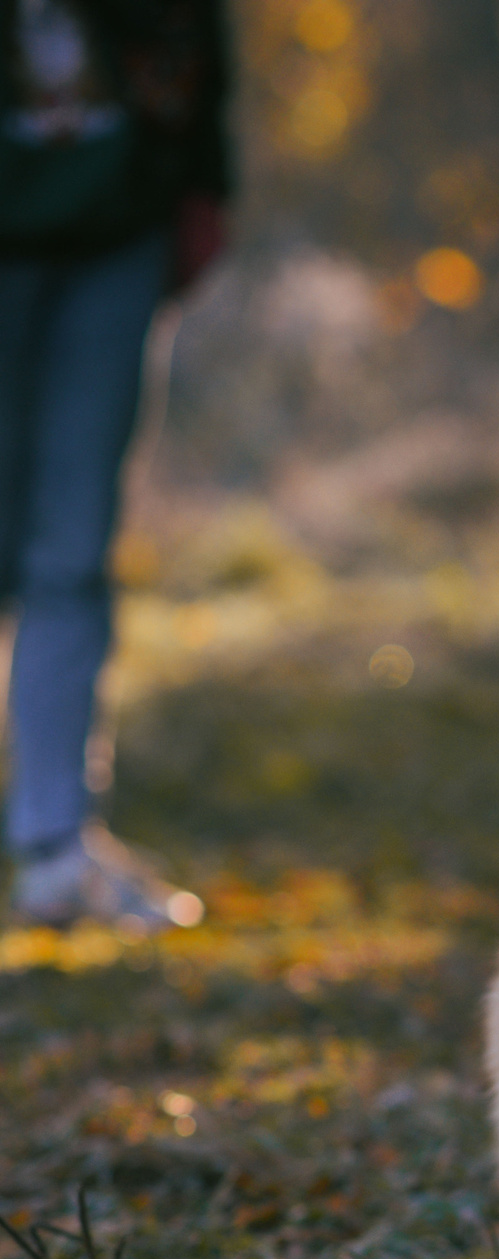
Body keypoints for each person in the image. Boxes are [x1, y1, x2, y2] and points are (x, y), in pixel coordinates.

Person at [1, 0, 228, 930]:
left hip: (117, 226)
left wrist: (205, 184)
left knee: (73, 543)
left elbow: (196, 43)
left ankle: (54, 845)